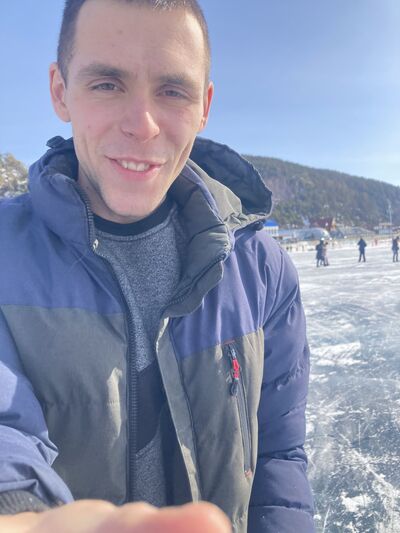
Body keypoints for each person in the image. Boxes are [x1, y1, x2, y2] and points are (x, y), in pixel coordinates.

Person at [0, 1, 315, 532]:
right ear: (60, 91)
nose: (142, 125)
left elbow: (278, 457)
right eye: (107, 84)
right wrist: (17, 511)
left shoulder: (262, 271)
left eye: (172, 91)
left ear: (204, 106)